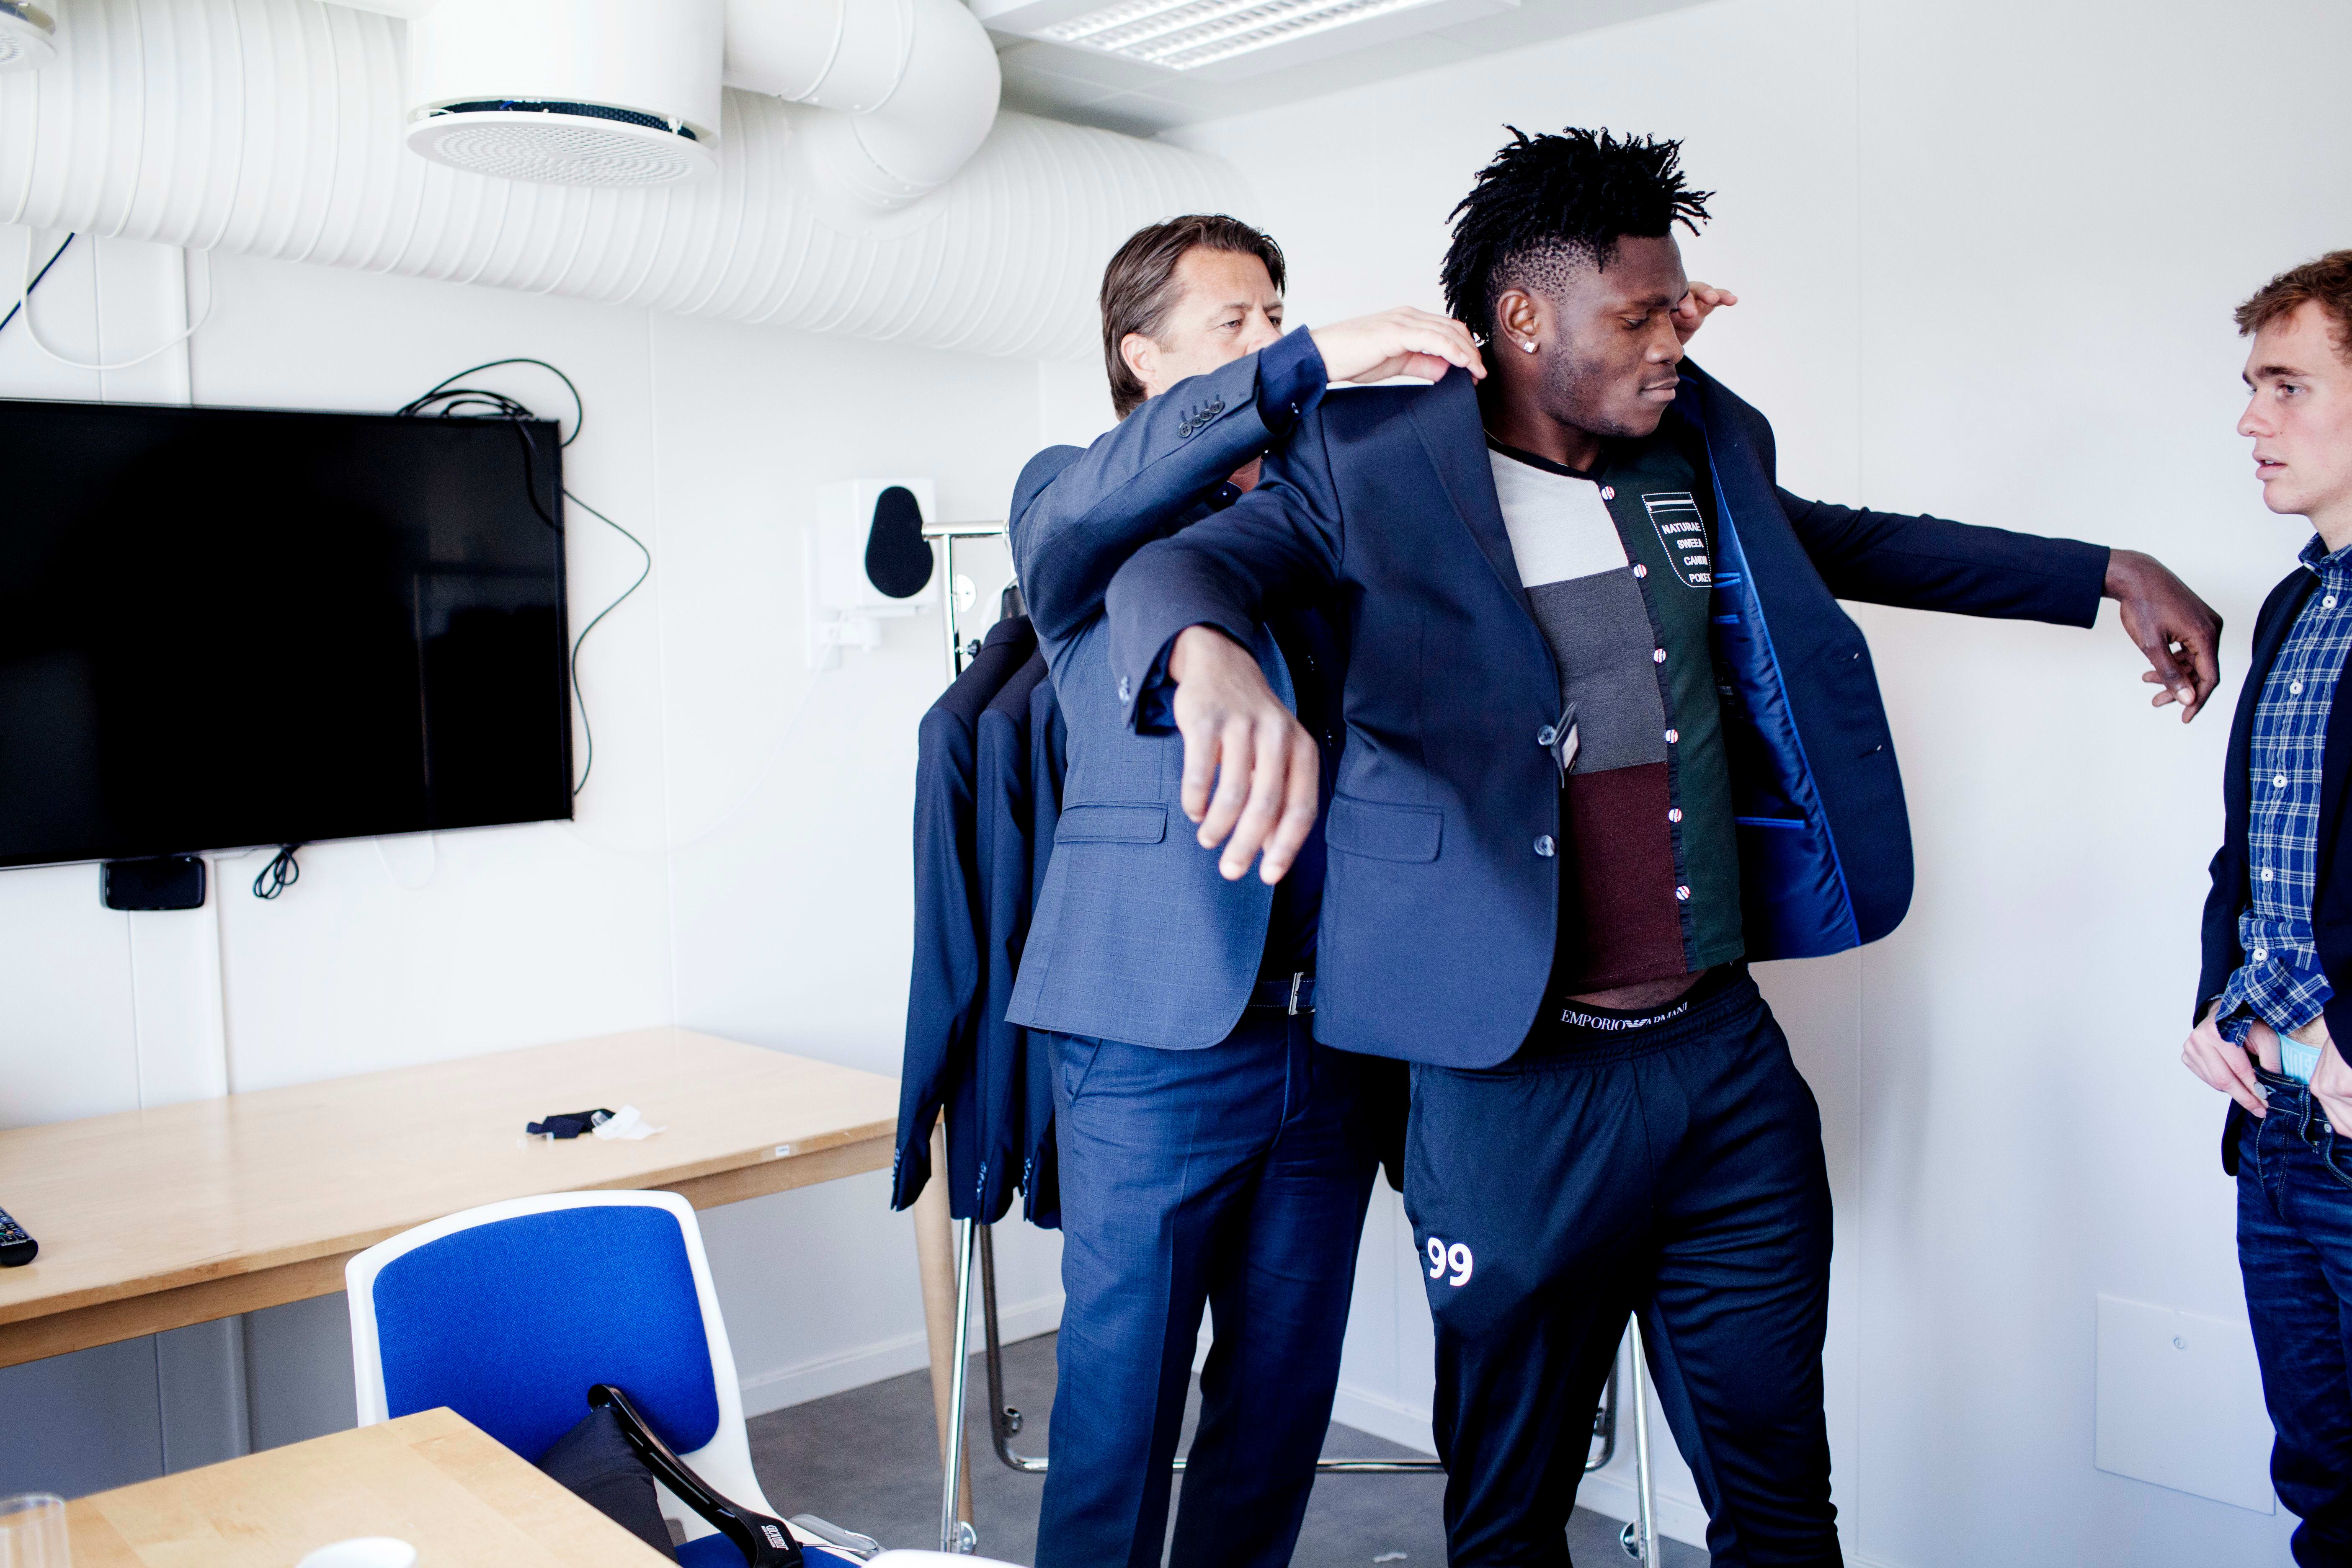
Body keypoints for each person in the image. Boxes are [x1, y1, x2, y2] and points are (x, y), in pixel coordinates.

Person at [1102, 129, 2223, 1565]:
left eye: (1676, 312)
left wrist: (2106, 573)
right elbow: (1181, 562)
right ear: (1522, 319)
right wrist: (1208, 658)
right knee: (1510, 1518)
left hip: (1721, 1065)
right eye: (1637, 317)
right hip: (1514, 1086)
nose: (1670, 343)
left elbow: (1855, 541)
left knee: (1781, 1502)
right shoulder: (1374, 464)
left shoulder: (1694, 451)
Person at [1008, 210, 1731, 1568]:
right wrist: (1312, 360)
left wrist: (1631, 337)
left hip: (1337, 1038)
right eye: (1235, 323)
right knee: (1120, 1405)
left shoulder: (1335, 496)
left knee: (1278, 1407)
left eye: (1278, 316)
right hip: (1158, 1042)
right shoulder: (1075, 506)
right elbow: (1108, 514)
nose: (1270, 339)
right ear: (1144, 359)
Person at [2179, 249, 2352, 1566]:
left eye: (2287, 386)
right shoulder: (2297, 603)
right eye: (2253, 386)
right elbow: (2249, 858)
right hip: (2278, 1132)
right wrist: (2216, 1005)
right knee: (2329, 1500)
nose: (2252, 419)